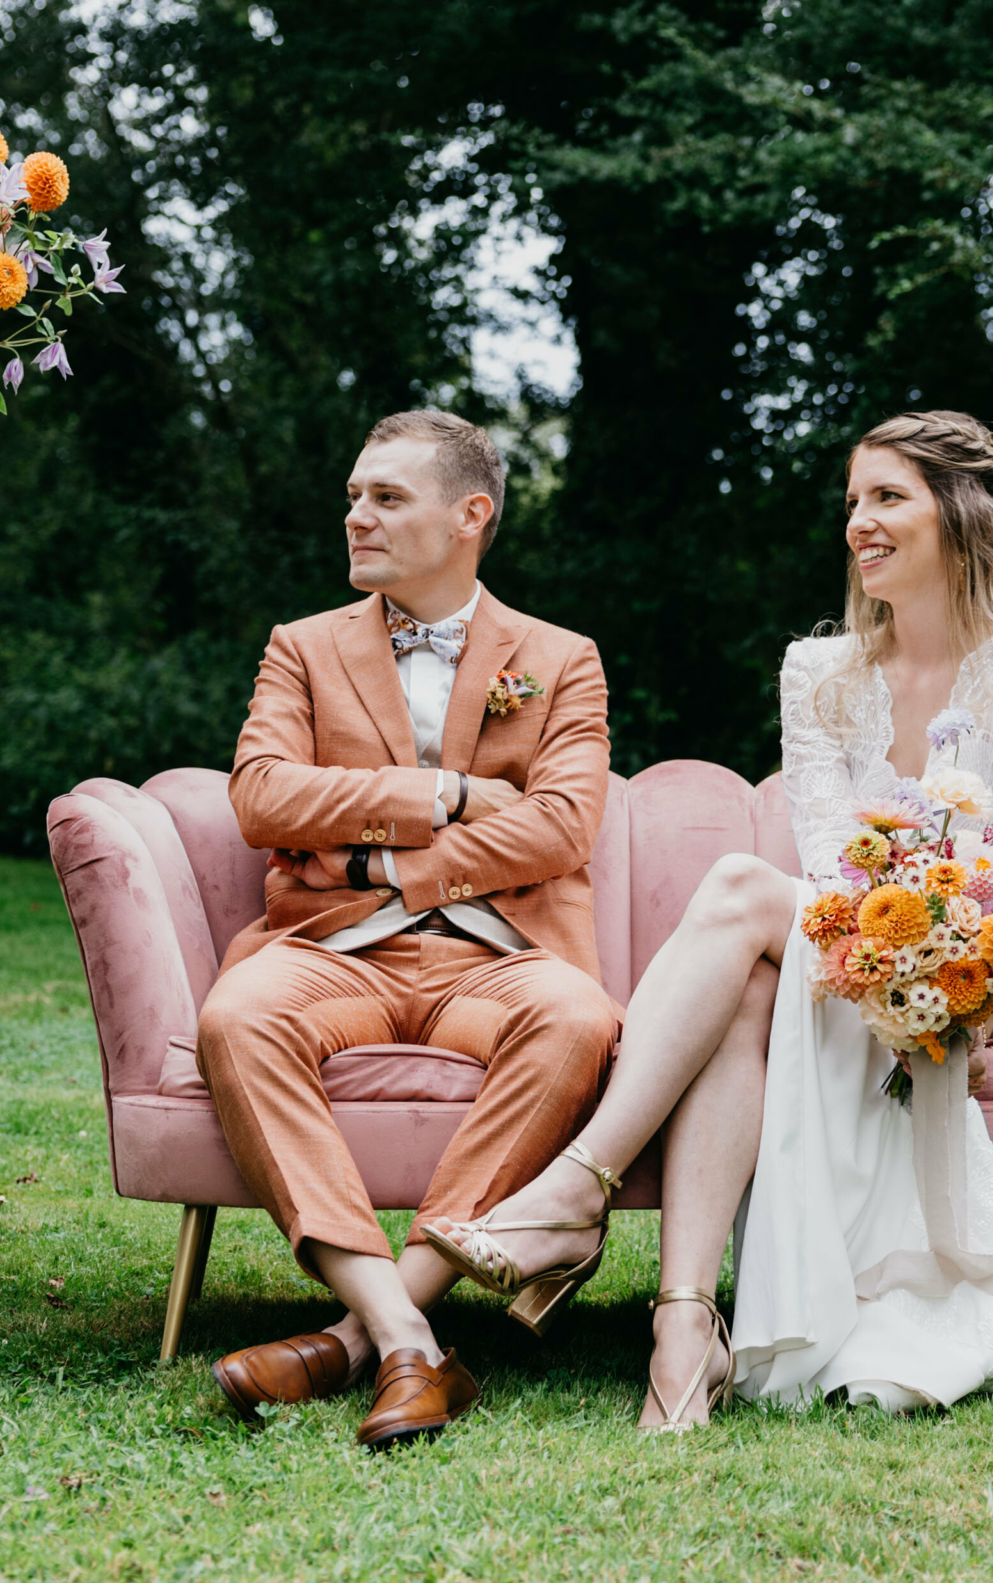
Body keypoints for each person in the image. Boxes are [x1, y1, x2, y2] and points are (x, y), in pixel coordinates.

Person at [430, 411, 993, 1429]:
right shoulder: (819, 673)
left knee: (742, 886)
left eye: (888, 496)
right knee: (748, 985)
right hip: (847, 964)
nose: (858, 522)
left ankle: (577, 1196)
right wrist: (882, 959)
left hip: (954, 994)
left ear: (960, 512)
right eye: (852, 501)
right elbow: (832, 867)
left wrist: (959, 989)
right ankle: (681, 1328)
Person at [197, 408, 626, 1450]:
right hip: (331, 950)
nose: (358, 516)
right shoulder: (302, 647)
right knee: (238, 1017)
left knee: (576, 1020)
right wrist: (445, 794)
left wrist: (381, 859)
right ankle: (406, 1339)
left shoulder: (561, 658)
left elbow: (563, 824)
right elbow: (261, 796)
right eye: (354, 496)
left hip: (500, 957)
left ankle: (357, 1338)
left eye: (387, 497)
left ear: (469, 515)